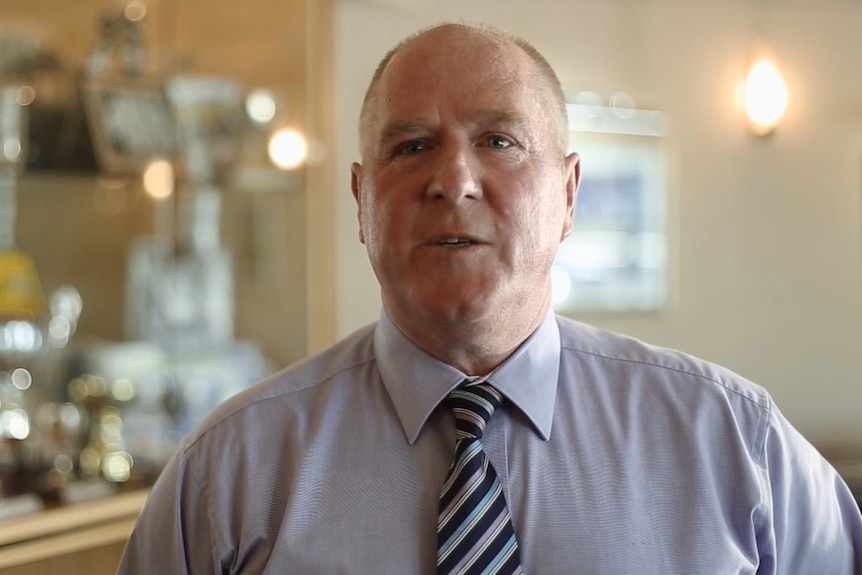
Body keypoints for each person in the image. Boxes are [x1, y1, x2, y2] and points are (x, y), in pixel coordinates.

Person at [117, 22, 862, 574]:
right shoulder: (228, 474)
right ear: (359, 199)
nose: (455, 180)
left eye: (499, 141)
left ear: (569, 195)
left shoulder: (734, 443)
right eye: (410, 146)